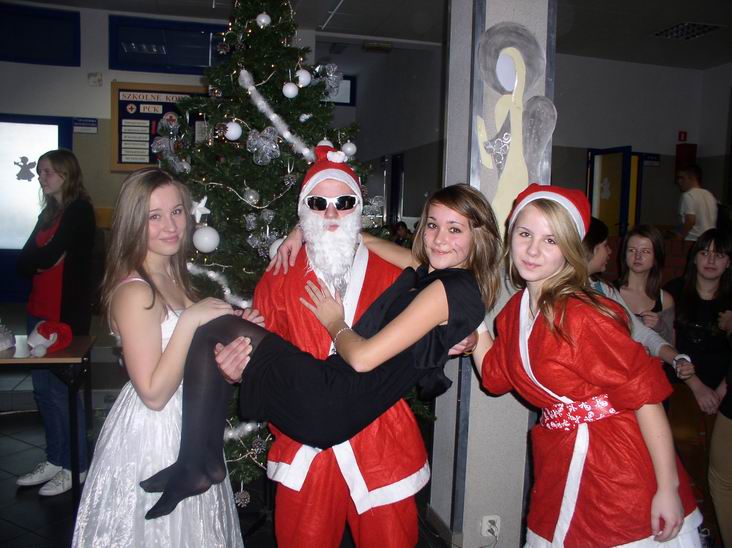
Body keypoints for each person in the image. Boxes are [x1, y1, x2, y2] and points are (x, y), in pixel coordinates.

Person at [139, 183, 501, 521]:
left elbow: (362, 359)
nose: (439, 238)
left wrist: (334, 322)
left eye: (455, 229)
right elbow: (360, 238)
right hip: (340, 400)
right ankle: (198, 463)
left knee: (214, 327)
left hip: (334, 396)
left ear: (479, 237)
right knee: (215, 332)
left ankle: (197, 463)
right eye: (433, 225)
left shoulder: (448, 290)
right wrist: (302, 230)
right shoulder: (440, 276)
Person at [477, 184, 701, 546]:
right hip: (560, 457)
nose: (532, 250)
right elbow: (495, 376)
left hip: (618, 466)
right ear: (510, 234)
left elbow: (645, 397)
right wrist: (472, 324)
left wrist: (667, 487)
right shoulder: (515, 311)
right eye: (525, 234)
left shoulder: (582, 314)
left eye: (551, 240)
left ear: (569, 248)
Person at [229, 145, 430, 547]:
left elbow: (437, 302)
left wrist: (463, 336)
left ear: (359, 208)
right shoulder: (280, 275)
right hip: (307, 445)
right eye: (318, 203)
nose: (332, 214)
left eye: (345, 202)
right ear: (304, 211)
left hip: (380, 438)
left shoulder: (394, 272)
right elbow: (262, 356)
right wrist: (242, 352)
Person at [71, 168, 248, 547]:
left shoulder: (176, 277)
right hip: (154, 436)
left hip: (194, 428)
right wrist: (191, 320)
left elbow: (191, 361)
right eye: (154, 216)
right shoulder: (135, 292)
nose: (170, 226)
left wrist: (227, 362)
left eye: (177, 211)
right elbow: (152, 393)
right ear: (133, 223)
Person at [16, 149, 96, 496]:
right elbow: (24, 262)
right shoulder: (48, 213)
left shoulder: (79, 211)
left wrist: (44, 259)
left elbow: (47, 255)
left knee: (62, 392)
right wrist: (42, 261)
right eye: (40, 172)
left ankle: (76, 465)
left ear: (66, 174)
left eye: (48, 171)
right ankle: (55, 458)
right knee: (43, 392)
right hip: (38, 310)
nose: (42, 177)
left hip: (64, 316)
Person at [664, 229, 732, 543]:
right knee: (683, 437)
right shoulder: (675, 291)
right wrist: (696, 386)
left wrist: (721, 390)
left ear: (729, 262)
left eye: (719, 254)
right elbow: (667, 346)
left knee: (720, 460)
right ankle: (699, 521)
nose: (711, 260)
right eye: (705, 252)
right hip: (682, 383)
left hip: (724, 389)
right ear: (694, 258)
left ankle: (715, 526)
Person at [583, 217, 694, 381]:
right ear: (589, 248)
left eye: (646, 251)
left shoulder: (604, 289)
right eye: (605, 245)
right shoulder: (561, 290)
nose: (610, 251)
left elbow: (641, 332)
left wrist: (677, 359)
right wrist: (632, 353)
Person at [617, 225, 675, 343]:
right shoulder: (609, 292)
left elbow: (671, 345)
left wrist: (660, 327)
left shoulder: (665, 300)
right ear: (624, 255)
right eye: (632, 250)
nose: (638, 256)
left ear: (656, 257)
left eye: (645, 251)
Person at [676, 165, 717, 241]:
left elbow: (690, 220)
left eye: (682, 178)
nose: (679, 181)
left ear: (692, 178)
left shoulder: (688, 195)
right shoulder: (709, 195)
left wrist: (680, 236)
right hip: (709, 240)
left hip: (692, 240)